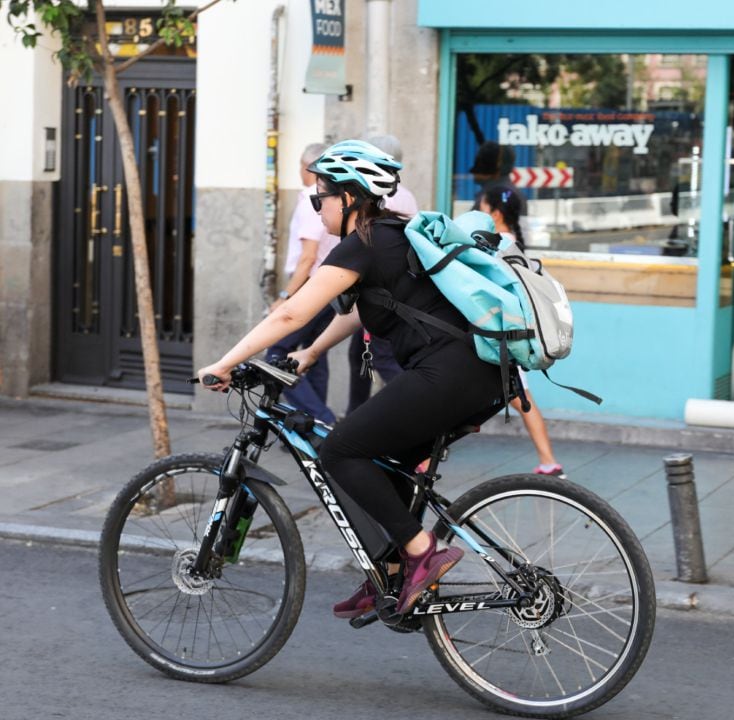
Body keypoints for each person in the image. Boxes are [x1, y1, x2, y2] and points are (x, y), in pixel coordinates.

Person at [195, 140, 504, 618]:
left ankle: (423, 553)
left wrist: (223, 361)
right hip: (477, 374)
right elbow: (362, 312)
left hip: (449, 372)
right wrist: (312, 352)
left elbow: (292, 312)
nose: (317, 207)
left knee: (340, 449)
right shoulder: (388, 236)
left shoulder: (361, 244)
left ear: (350, 198)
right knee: (383, 460)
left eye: (322, 198)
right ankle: (391, 571)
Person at [478, 183, 565, 479]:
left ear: (496, 213)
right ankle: (548, 461)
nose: (478, 212)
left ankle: (549, 460)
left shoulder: (496, 244)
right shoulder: (513, 242)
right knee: (521, 398)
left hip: (501, 334)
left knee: (521, 398)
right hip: (508, 332)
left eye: (483, 207)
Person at [343, 134, 418, 414]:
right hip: (386, 293)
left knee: (380, 357)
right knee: (359, 355)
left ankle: (421, 411)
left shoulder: (388, 197)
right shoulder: (402, 194)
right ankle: (355, 413)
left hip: (384, 294)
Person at [265, 143, 336, 425]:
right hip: (333, 286)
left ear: (308, 167)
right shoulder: (332, 197)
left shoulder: (312, 198)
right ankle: (311, 428)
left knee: (276, 354)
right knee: (315, 355)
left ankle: (321, 420)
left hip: (312, 285)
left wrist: (285, 296)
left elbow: (308, 257)